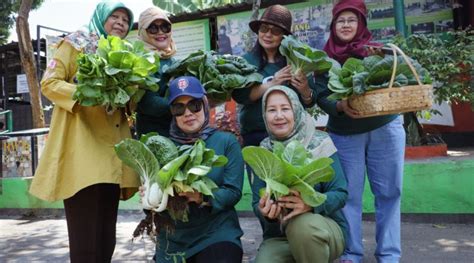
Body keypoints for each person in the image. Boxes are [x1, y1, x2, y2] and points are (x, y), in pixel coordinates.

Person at [29, 2, 139, 262]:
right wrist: (88, 92)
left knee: (106, 240)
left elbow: (129, 105)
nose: (121, 23)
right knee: (85, 243)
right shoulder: (76, 42)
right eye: (115, 16)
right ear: (102, 17)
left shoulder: (125, 56)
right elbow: (50, 83)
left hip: (112, 158)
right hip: (81, 158)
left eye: (126, 19)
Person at [317, 1, 406, 262]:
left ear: (362, 24)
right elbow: (322, 96)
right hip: (344, 133)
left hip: (385, 127)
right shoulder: (323, 59)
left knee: (389, 192)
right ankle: (351, 252)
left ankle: (389, 254)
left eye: (351, 20)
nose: (346, 25)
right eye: (340, 20)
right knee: (348, 196)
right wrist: (340, 105)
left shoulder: (378, 52)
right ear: (333, 25)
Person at [252, 85, 348, 263]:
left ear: (296, 110)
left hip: (322, 229)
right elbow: (256, 204)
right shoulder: (263, 151)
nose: (279, 116)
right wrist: (266, 213)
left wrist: (310, 204)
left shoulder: (320, 143)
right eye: (272, 110)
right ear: (264, 116)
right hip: (281, 237)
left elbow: (340, 193)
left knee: (302, 227)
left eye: (285, 109)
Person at [155, 76, 244, 263]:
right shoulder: (162, 147)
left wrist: (203, 197)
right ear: (173, 114)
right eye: (178, 108)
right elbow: (156, 204)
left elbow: (233, 192)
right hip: (174, 238)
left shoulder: (226, 142)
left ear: (205, 105)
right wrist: (151, 195)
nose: (187, 113)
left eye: (194, 105)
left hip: (217, 232)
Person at [232, 4, 318, 150]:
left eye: (275, 30)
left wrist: (305, 90)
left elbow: (310, 101)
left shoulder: (297, 61)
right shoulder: (246, 61)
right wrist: (272, 83)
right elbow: (240, 96)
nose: (268, 34)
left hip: (292, 136)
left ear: (285, 36)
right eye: (264, 28)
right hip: (255, 135)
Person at [135, 6, 177, 137]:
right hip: (154, 139)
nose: (160, 32)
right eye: (153, 28)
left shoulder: (172, 60)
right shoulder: (139, 62)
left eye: (165, 27)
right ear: (143, 32)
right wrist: (182, 105)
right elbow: (148, 103)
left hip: (179, 135)